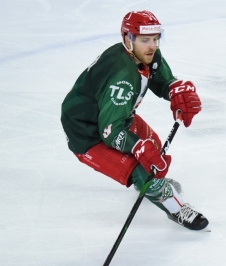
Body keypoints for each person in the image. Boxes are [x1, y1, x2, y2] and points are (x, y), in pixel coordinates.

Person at [61, 10, 208, 230]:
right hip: (87, 134)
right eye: (145, 40)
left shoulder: (144, 54)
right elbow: (110, 131)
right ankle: (177, 209)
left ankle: (150, 184)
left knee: (154, 147)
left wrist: (174, 91)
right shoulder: (122, 77)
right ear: (128, 40)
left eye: (156, 39)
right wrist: (138, 148)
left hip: (115, 117)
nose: (152, 46)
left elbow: (162, 80)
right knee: (143, 169)